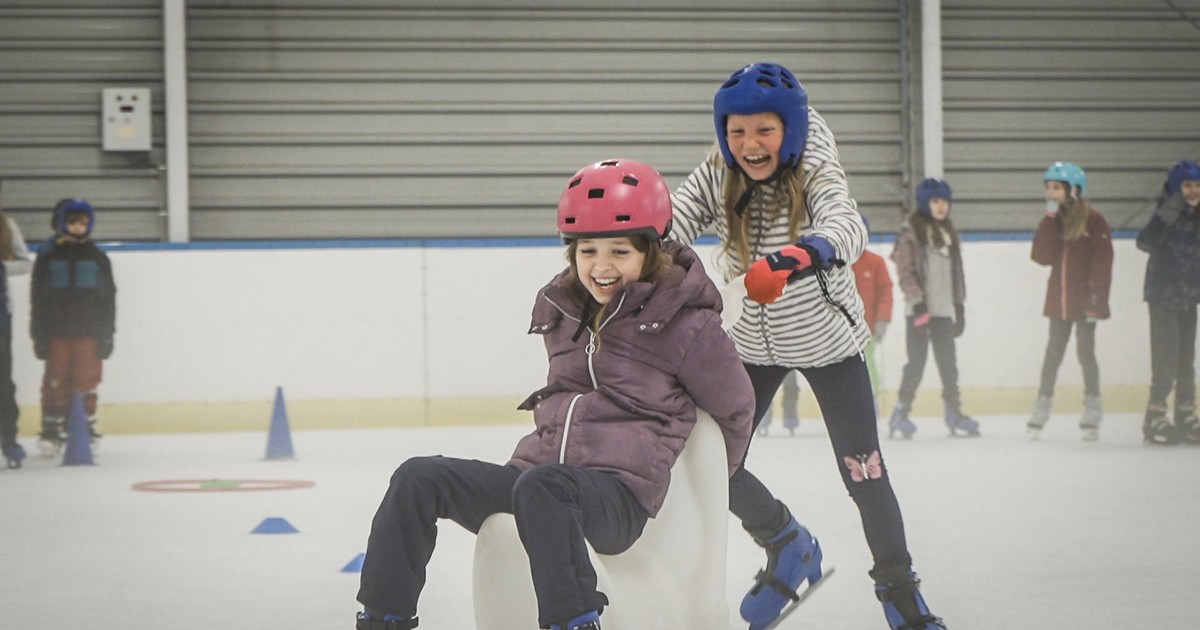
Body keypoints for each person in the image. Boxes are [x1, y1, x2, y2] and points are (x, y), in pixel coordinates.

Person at [354, 158, 754, 630]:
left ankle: (575, 622)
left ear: (651, 249)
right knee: (418, 477)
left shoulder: (686, 324)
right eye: (587, 252)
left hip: (617, 496)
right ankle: (384, 619)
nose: (601, 267)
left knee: (545, 489)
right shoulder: (563, 311)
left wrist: (702, 486)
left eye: (619, 252)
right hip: (537, 480)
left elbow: (736, 407)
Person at [670, 62, 945, 630]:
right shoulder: (723, 162)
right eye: (738, 131)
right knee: (710, 463)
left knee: (864, 473)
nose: (749, 144)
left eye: (764, 131)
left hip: (829, 343)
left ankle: (900, 592)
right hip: (753, 342)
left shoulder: (815, 158)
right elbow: (679, 214)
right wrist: (624, 237)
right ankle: (788, 544)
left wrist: (797, 256)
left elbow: (847, 223)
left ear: (790, 130)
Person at [1026, 162, 1113, 441]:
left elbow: (1102, 263)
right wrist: (1049, 221)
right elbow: (1041, 256)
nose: (1050, 193)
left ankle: (1092, 407)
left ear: (1074, 190)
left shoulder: (1094, 221)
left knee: (1086, 354)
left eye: (1056, 188)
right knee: (1052, 356)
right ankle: (1041, 406)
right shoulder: (1054, 221)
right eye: (1048, 188)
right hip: (1059, 302)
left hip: (1085, 302)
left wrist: (1095, 300)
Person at [888, 178, 979, 439]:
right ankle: (901, 413)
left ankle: (954, 412)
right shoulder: (911, 233)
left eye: (945, 202)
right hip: (919, 312)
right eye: (936, 201)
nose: (941, 207)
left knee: (949, 365)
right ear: (924, 203)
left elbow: (956, 274)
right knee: (916, 363)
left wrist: (958, 305)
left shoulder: (948, 233)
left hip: (943, 313)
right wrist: (917, 305)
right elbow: (905, 272)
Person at [30, 198, 116, 456]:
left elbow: (109, 298)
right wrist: (38, 333)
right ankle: (52, 429)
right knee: (56, 379)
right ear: (62, 224)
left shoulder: (98, 257)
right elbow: (38, 298)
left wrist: (107, 334)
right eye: (73, 222)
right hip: (57, 331)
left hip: (89, 332)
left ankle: (85, 426)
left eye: (83, 223)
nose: (79, 227)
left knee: (86, 379)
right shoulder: (48, 257)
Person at [1135, 159, 1200, 445]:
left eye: (1198, 185)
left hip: (1189, 297)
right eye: (1187, 185)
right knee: (1166, 361)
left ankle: (1186, 413)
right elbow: (1144, 242)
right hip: (1163, 297)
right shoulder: (1166, 214)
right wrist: (1168, 213)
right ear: (1175, 189)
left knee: (1186, 361)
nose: (1193, 191)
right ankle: (1155, 416)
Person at [0, 177, 33, 468]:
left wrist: (1, 267)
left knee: (2, 384)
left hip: (0, 320)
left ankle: (8, 439)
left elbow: (25, 262)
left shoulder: (6, 226)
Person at [854, 214, 893, 405]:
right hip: (841, 331)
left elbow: (886, 291)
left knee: (867, 364)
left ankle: (871, 400)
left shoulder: (875, 262)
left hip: (868, 328)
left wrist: (882, 319)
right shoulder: (837, 263)